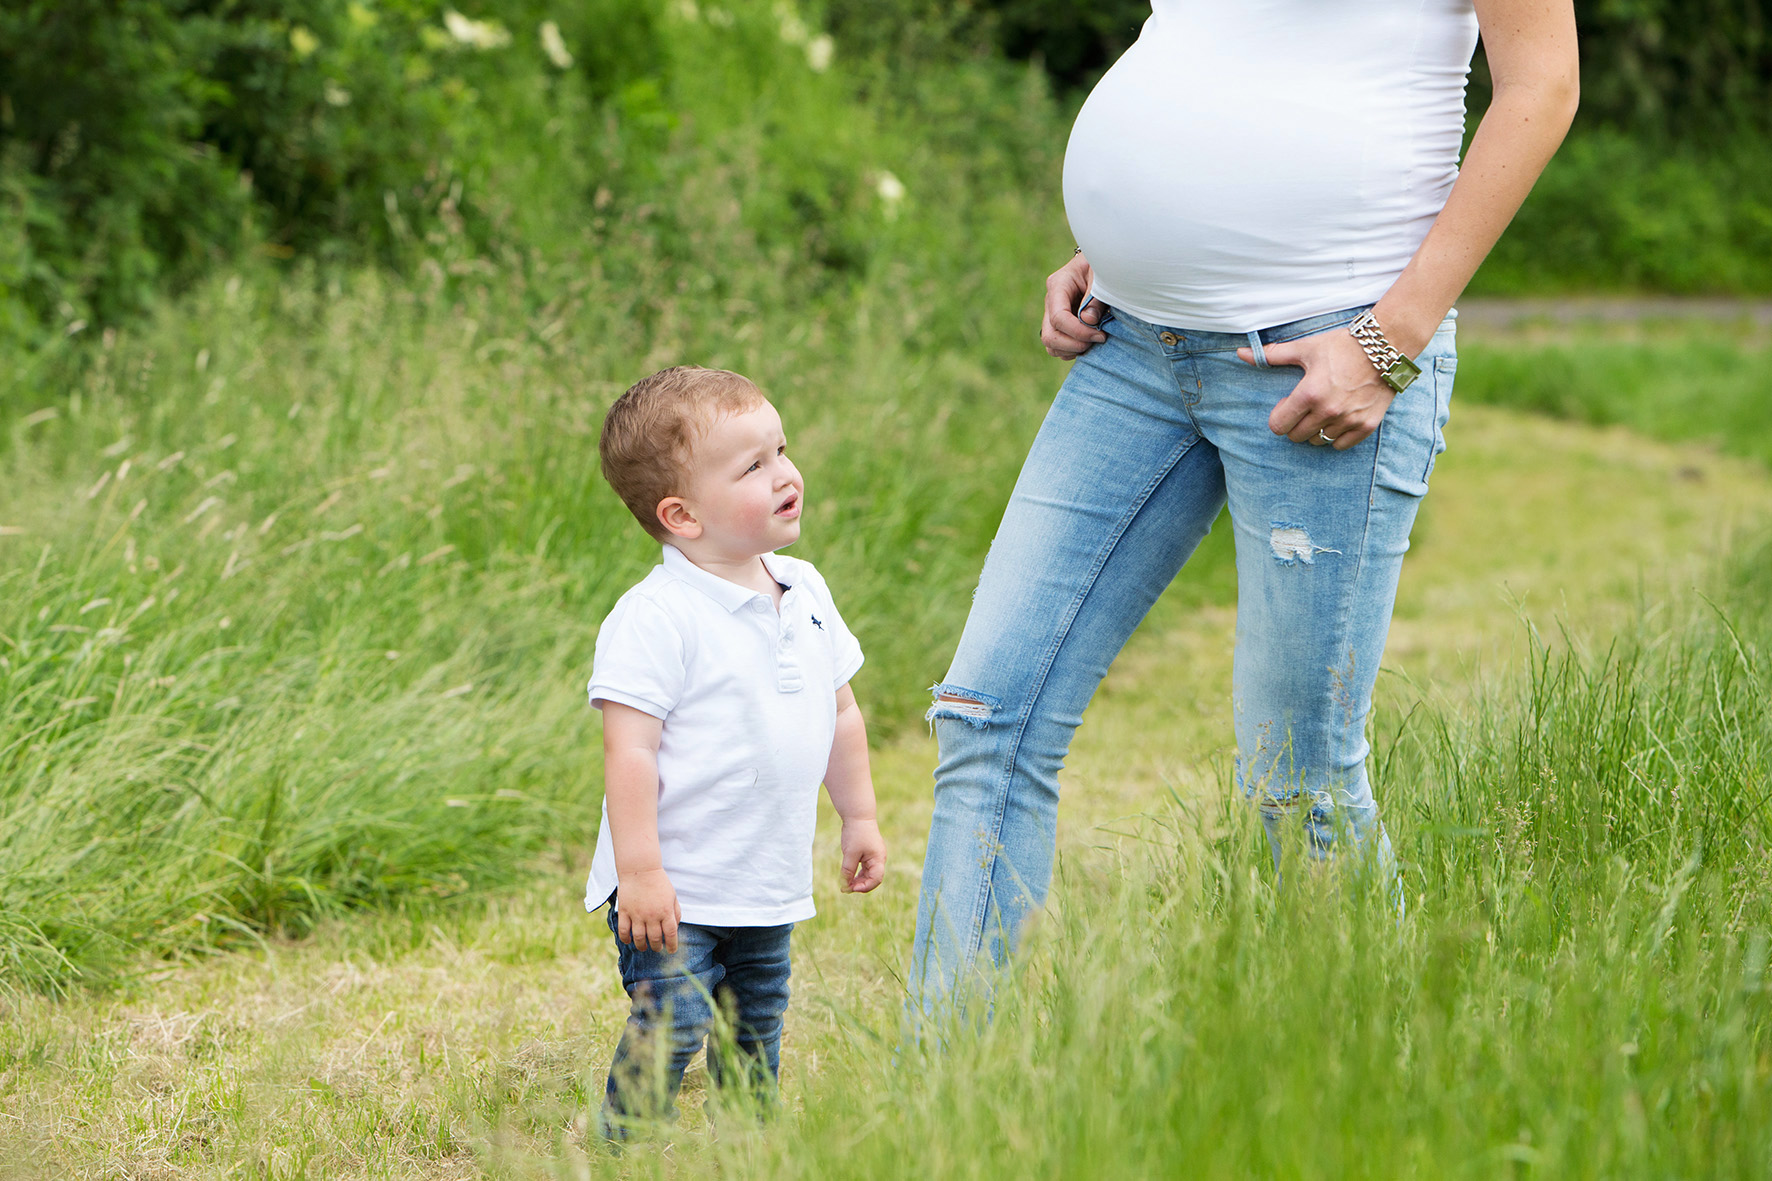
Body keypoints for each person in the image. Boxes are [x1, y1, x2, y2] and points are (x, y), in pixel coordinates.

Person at [911, 0, 1579, 1017]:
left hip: (1325, 350)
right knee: (986, 712)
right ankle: (938, 1107)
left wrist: (1390, 337)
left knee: (1296, 782)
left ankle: (1363, 1088)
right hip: (1130, 345)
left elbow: (1539, 90)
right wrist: (1124, 247)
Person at [588, 365, 887, 1133]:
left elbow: (840, 709)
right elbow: (629, 753)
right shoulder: (657, 616)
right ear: (682, 515)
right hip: (675, 884)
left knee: (756, 1025)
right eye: (753, 466)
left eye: (780, 450)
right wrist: (641, 872)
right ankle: (624, 1145)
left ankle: (747, 1147)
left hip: (763, 872)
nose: (785, 473)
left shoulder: (807, 591)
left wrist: (859, 817)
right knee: (679, 1020)